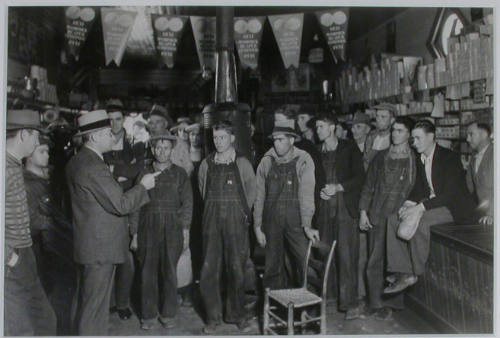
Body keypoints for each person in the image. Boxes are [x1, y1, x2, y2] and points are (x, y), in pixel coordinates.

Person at [66, 110, 159, 335]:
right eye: (108, 132)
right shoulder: (93, 166)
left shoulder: (78, 161)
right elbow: (122, 205)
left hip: (89, 246)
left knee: (84, 304)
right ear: (95, 136)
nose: (113, 136)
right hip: (100, 250)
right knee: (94, 311)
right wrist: (143, 186)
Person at [384, 120, 476, 294]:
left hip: (453, 207)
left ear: (431, 137)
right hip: (432, 203)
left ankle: (416, 273)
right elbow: (418, 188)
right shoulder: (419, 158)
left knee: (422, 221)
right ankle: (402, 271)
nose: (414, 143)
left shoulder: (449, 157)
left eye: (418, 138)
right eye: (413, 139)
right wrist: (408, 205)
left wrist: (419, 208)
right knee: (393, 219)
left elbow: (449, 195)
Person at [198, 121, 257, 334]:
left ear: (232, 138)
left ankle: (237, 315)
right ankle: (212, 318)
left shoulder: (243, 163)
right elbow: (203, 191)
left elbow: (251, 192)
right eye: (215, 138)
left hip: (236, 221)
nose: (218, 141)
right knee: (208, 270)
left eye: (223, 137)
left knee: (237, 269)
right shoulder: (206, 164)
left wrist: (242, 213)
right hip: (211, 221)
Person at [132, 132, 193, 330]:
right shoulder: (143, 174)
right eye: (158, 147)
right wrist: (134, 234)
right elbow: (135, 206)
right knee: (147, 272)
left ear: (172, 149)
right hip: (148, 227)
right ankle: (148, 315)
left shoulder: (180, 174)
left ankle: (168, 314)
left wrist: (185, 231)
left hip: (172, 227)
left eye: (166, 148)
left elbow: (188, 205)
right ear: (152, 149)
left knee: (169, 271)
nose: (162, 151)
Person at [5, 109, 57, 336]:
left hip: (24, 253)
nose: (37, 142)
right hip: (11, 259)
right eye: (36, 136)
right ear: (24, 135)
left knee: (44, 319)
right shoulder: (4, 168)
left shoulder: (13, 164)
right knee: (23, 328)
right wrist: (11, 257)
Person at [359, 117, 417, 320]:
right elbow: (368, 186)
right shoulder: (381, 156)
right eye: (394, 130)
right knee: (374, 260)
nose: (395, 134)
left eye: (400, 131)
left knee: (396, 264)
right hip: (377, 213)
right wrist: (363, 211)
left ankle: (392, 305)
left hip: (398, 217)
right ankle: (374, 303)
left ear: (409, 134)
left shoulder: (414, 159)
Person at [254, 120, 319, 290]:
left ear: (292, 140)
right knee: (272, 267)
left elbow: (307, 194)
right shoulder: (267, 161)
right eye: (274, 140)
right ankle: (274, 308)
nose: (276, 144)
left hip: (295, 220)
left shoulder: (303, 159)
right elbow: (259, 195)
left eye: (281, 139)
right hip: (272, 220)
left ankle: (309, 307)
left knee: (305, 263)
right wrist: (257, 225)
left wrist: (307, 225)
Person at [314, 113, 365, 320]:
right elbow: (314, 179)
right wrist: (320, 191)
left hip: (345, 207)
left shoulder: (349, 148)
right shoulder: (317, 151)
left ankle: (350, 303)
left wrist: (339, 187)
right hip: (325, 208)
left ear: (333, 127)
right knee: (326, 253)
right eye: (316, 127)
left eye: (321, 126)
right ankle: (331, 297)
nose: (318, 130)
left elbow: (361, 177)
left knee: (346, 255)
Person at [103, 100, 145, 320]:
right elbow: (99, 173)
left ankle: (122, 303)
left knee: (127, 260)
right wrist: (122, 173)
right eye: (109, 119)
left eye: (118, 119)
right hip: (105, 206)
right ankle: (107, 302)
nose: (114, 124)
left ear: (124, 120)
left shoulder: (134, 143)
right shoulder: (101, 142)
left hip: (127, 206)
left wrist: (114, 169)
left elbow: (137, 169)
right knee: (106, 260)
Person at [465, 122, 493, 225]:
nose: (467, 139)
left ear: (484, 135)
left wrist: (491, 214)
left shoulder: (495, 154)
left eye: (471, 134)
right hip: (482, 214)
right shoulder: (474, 156)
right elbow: (470, 187)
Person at [363, 103, 396, 170]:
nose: (378, 120)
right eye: (377, 116)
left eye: (383, 117)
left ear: (392, 120)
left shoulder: (395, 139)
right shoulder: (371, 137)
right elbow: (365, 161)